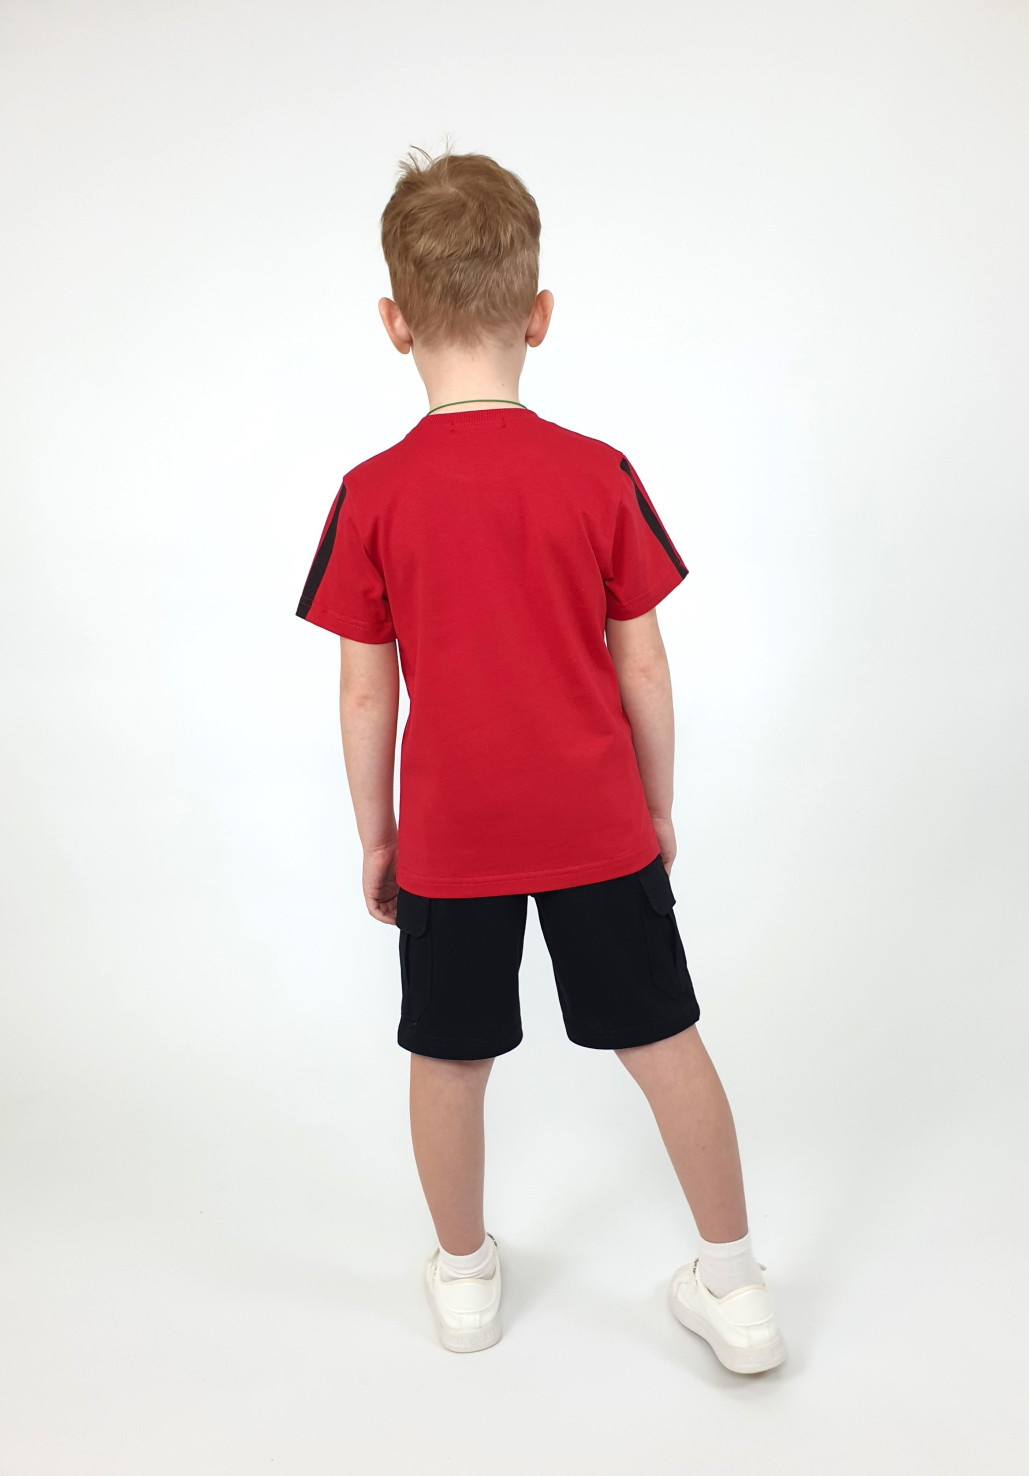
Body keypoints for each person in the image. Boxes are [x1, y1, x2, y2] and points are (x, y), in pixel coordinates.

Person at [294, 143, 786, 1374]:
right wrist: (653, 807)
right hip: (595, 823)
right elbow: (646, 668)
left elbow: (364, 691)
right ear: (539, 313)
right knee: (664, 1042)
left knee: (447, 1059)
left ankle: (464, 1279)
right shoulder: (597, 474)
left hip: (451, 838)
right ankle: (737, 1291)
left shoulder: (371, 494)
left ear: (395, 323)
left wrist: (377, 836)